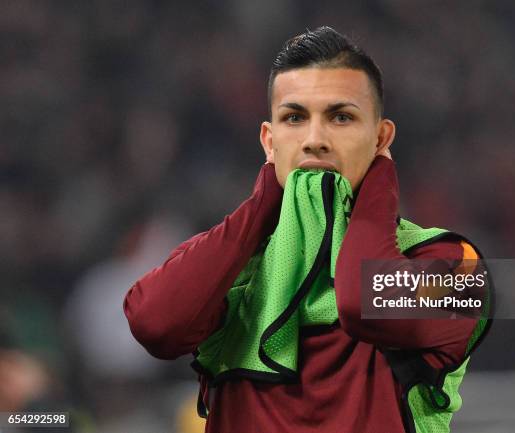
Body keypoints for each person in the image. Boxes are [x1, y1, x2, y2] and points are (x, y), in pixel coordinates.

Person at [124, 26, 492, 433]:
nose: (314, 140)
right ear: (269, 140)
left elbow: (360, 301)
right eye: (294, 118)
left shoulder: (455, 268)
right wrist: (263, 204)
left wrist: (379, 184)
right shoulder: (232, 265)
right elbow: (154, 324)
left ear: (381, 138)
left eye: (341, 117)